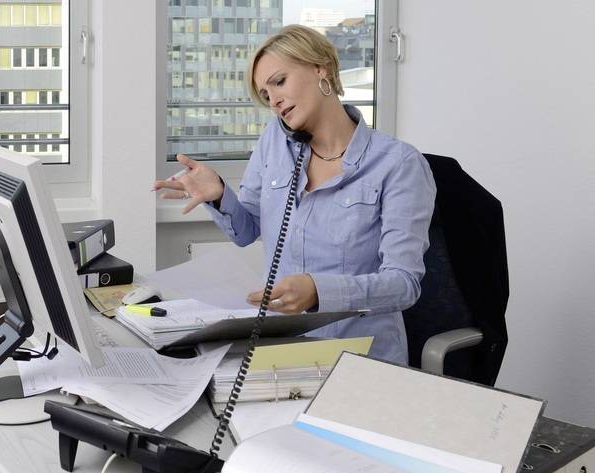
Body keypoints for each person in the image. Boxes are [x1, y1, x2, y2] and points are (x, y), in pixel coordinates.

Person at [154, 25, 436, 365]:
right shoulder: (274, 142)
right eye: (265, 95)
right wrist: (219, 195)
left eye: (279, 82)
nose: (274, 101)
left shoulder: (398, 164)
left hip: (359, 357)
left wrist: (319, 291)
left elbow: (403, 284)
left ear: (321, 68)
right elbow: (246, 232)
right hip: (281, 351)